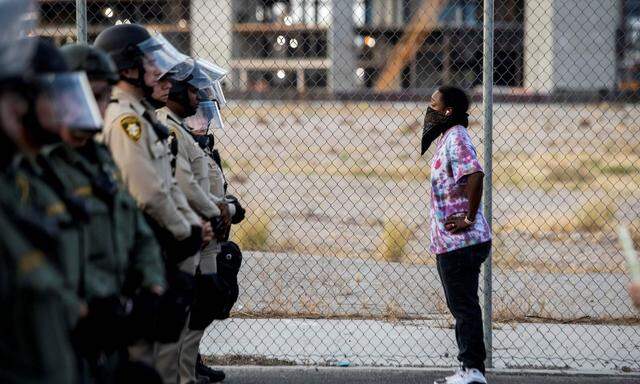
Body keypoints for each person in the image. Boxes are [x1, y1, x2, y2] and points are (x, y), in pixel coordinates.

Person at [93, 24, 208, 374]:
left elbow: (166, 183)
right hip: (139, 249)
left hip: (156, 244)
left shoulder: (141, 119)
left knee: (166, 351)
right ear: (127, 70)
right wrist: (186, 231)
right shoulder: (127, 121)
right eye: (149, 63)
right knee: (154, 359)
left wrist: (189, 226)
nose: (160, 72)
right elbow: (150, 192)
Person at [421, 86, 492, 384]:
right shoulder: (447, 138)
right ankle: (469, 369)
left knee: (464, 307)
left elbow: (475, 174)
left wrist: (468, 217)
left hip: (462, 242)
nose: (429, 107)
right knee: (461, 306)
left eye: (434, 103)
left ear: (448, 111)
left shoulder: (458, 137)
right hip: (451, 243)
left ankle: (473, 371)